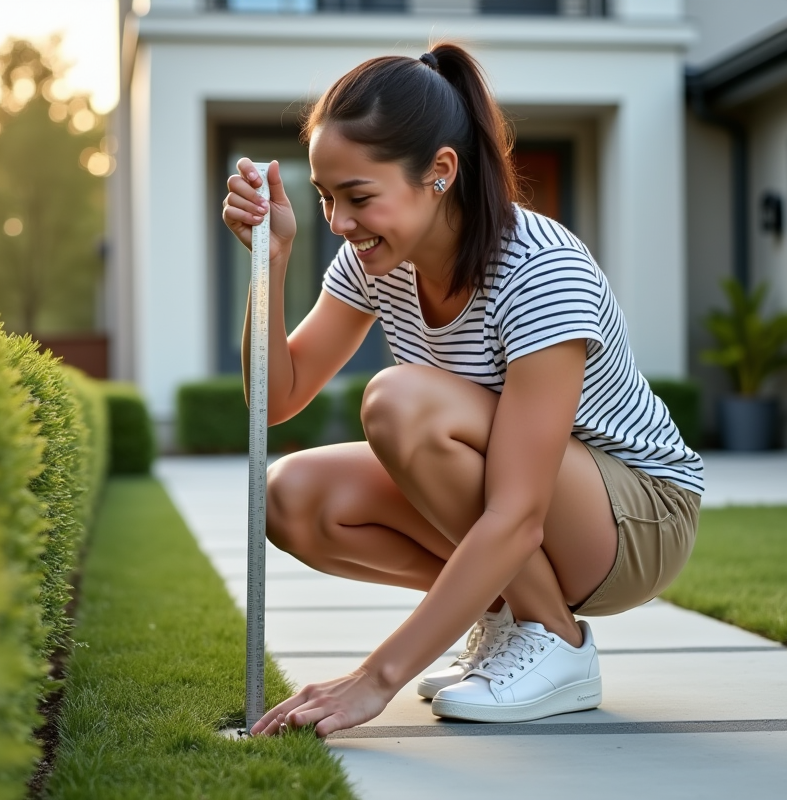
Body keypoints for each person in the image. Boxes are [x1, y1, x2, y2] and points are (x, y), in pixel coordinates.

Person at [220, 42, 703, 738]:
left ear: (440, 171)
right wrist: (271, 263)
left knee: (401, 403)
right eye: (326, 198)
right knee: (289, 497)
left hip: (638, 518)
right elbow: (275, 397)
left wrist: (376, 678)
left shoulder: (540, 269)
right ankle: (511, 619)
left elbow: (518, 512)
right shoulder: (375, 257)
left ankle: (555, 641)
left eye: (359, 196)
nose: (340, 223)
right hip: (538, 505)